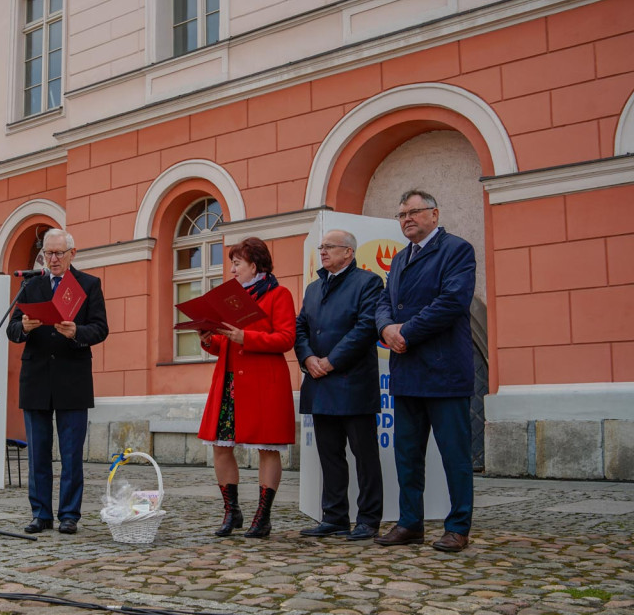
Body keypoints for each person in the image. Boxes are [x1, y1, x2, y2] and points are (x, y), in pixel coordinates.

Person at [374, 190, 476, 552]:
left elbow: (451, 302)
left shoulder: (457, 250)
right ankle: (409, 523)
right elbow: (384, 303)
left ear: (434, 214)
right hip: (408, 372)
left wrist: (406, 332)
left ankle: (458, 526)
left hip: (445, 371)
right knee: (407, 456)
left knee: (455, 456)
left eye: (414, 212)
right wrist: (386, 329)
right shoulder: (399, 260)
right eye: (401, 215)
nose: (407, 219)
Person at [7, 229, 109, 534]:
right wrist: (23, 326)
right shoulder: (31, 285)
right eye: (48, 253)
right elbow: (11, 329)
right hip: (36, 377)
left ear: (72, 254)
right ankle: (40, 513)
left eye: (58, 254)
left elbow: (101, 329)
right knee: (37, 451)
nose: (52, 259)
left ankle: (69, 515)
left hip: (72, 377)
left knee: (70, 453)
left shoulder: (89, 285)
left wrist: (76, 332)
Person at [198, 237, 296, 538]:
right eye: (231, 264)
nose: (232, 270)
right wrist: (207, 338)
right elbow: (226, 343)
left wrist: (247, 337)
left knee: (267, 449)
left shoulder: (279, 295)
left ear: (254, 265)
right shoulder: (230, 298)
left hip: (263, 382)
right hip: (229, 381)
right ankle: (232, 511)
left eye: (236, 263)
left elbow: (286, 338)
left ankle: (262, 517)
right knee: (220, 447)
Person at [295, 229, 385, 541]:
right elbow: (301, 327)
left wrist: (331, 361)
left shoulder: (368, 282)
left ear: (348, 252)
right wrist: (307, 358)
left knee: (365, 456)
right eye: (321, 247)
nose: (323, 252)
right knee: (329, 455)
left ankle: (368, 519)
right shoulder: (313, 287)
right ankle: (334, 517)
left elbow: (365, 328)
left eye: (329, 247)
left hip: (352, 383)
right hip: (320, 383)